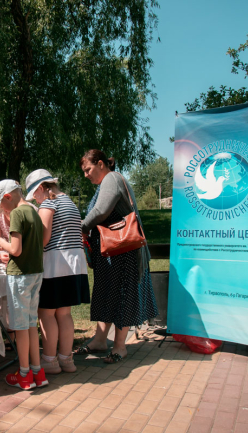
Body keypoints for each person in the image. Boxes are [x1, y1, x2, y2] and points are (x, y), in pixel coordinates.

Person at [76, 149, 158, 364]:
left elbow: (101, 211)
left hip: (124, 253)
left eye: (88, 169)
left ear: (101, 164)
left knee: (123, 296)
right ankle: (100, 340)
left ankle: (120, 347)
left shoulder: (111, 179)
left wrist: (81, 227)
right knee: (106, 294)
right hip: (112, 253)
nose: (86, 175)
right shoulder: (106, 182)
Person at [25, 169, 90, 374]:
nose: (36, 200)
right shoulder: (68, 201)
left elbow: (43, 239)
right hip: (74, 263)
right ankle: (66, 359)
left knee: (46, 313)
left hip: (55, 264)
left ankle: (49, 360)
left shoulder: (48, 203)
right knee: (64, 313)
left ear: (41, 188)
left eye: (35, 195)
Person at [0, 180, 47, 390]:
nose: (3, 211)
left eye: (2, 206)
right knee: (31, 324)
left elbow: (15, 249)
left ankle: (24, 374)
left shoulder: (16, 213)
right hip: (35, 273)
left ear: (8, 197)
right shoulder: (33, 211)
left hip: (20, 275)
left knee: (20, 327)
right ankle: (37, 371)